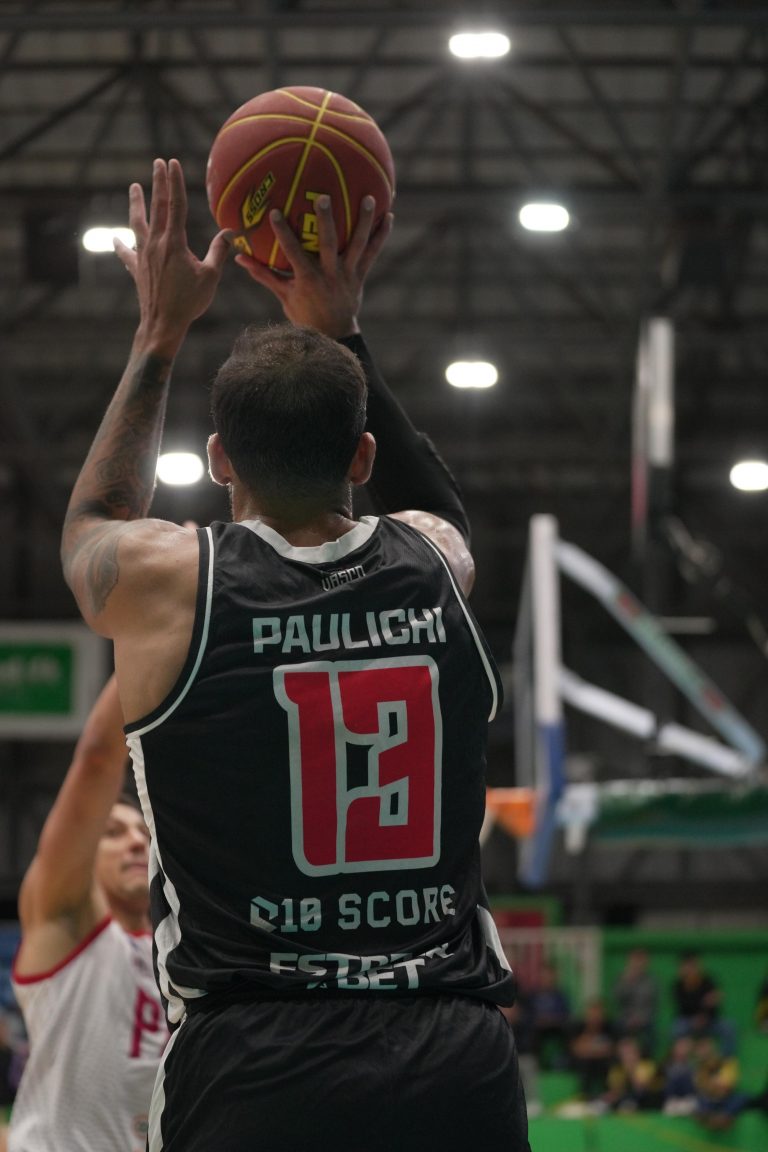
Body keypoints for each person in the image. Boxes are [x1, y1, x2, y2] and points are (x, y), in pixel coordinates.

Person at [58, 158, 530, 1152]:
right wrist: (342, 328)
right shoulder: (435, 563)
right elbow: (441, 509)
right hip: (451, 1051)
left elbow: (93, 521)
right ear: (362, 457)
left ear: (218, 460)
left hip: (256, 1059)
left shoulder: (174, 584)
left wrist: (159, 332)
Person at [7, 672, 168, 1151]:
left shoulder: (182, 952)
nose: (136, 841)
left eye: (143, 832)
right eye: (113, 832)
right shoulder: (67, 923)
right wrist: (139, 648)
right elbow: (97, 758)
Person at [671, 949, 737, 1055]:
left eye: (693, 965)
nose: (691, 969)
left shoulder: (708, 981)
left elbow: (714, 1004)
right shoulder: (677, 986)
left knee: (729, 1028)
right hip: (688, 1021)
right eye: (687, 966)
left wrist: (704, 1015)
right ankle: (680, 1059)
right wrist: (703, 1003)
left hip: (709, 1020)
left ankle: (726, 1059)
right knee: (676, 1029)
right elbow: (683, 1006)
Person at [612, 946, 659, 1054]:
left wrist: (641, 1018)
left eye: (641, 960)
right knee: (617, 1028)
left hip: (645, 1020)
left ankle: (647, 1059)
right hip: (625, 1018)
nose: (638, 964)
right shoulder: (622, 978)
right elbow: (617, 998)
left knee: (651, 1034)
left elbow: (652, 1006)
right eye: (635, 960)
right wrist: (627, 981)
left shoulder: (651, 981)